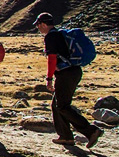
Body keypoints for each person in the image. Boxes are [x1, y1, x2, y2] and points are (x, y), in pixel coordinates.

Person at [34, 13, 103, 147]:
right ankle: (65, 136)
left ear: (42, 24)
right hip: (73, 71)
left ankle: (91, 131)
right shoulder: (60, 34)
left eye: (38, 25)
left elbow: (52, 58)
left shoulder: (51, 37)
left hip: (66, 74)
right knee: (57, 105)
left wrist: (49, 78)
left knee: (63, 106)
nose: (38, 29)